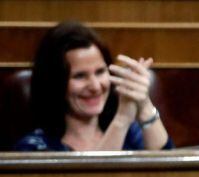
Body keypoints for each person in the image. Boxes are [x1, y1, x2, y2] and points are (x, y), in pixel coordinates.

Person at [15, 21, 172, 151]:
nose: (96, 86)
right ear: (55, 82)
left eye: (100, 72)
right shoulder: (34, 147)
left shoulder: (131, 133)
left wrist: (144, 105)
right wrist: (122, 119)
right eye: (80, 76)